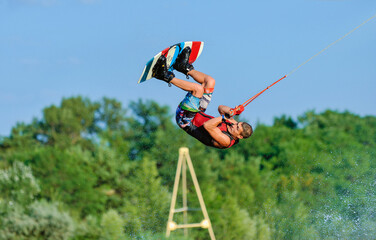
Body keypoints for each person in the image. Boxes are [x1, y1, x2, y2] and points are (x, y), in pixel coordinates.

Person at [152, 47, 253, 149]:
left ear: (239, 136)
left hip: (186, 120)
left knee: (198, 89)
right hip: (198, 111)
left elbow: (208, 126)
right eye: (237, 124)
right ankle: (183, 67)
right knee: (210, 81)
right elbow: (221, 108)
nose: (234, 125)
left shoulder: (226, 141)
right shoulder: (233, 126)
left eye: (237, 128)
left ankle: (164, 75)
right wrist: (233, 111)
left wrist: (225, 117)